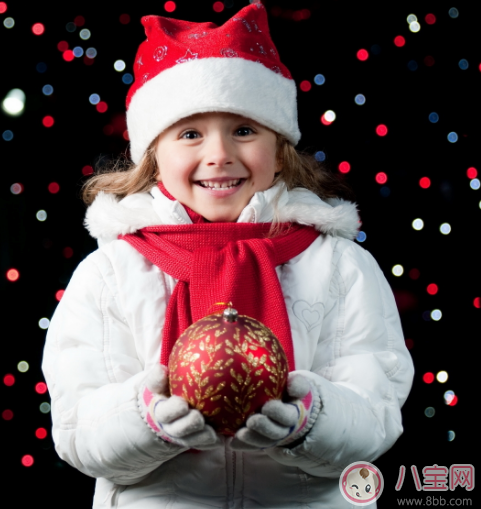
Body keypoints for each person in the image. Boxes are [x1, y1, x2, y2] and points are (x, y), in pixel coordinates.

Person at [41, 3, 413, 507]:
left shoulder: (339, 266)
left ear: (280, 149)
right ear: (154, 154)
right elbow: (78, 429)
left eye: (243, 130)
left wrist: (309, 418)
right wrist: (148, 418)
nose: (219, 153)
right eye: (190, 133)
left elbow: (377, 410)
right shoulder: (112, 272)